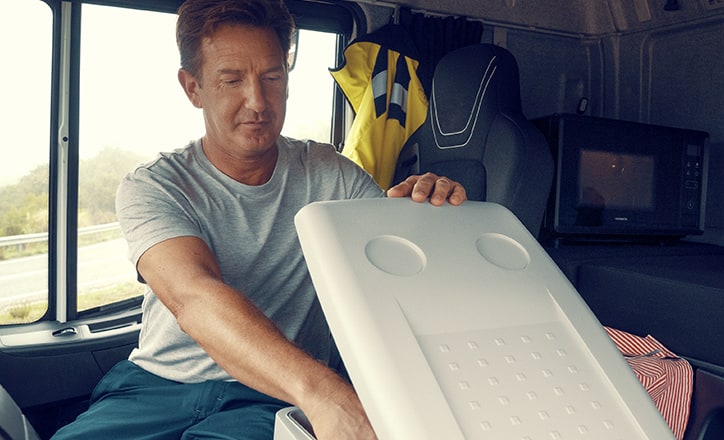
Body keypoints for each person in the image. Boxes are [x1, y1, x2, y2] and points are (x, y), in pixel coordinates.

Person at [52, 0, 465, 439]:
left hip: (273, 393)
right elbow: (193, 296)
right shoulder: (155, 185)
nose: (257, 101)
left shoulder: (333, 177)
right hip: (157, 386)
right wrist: (325, 395)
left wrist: (430, 209)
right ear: (193, 88)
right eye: (232, 80)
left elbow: (402, 266)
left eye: (272, 77)